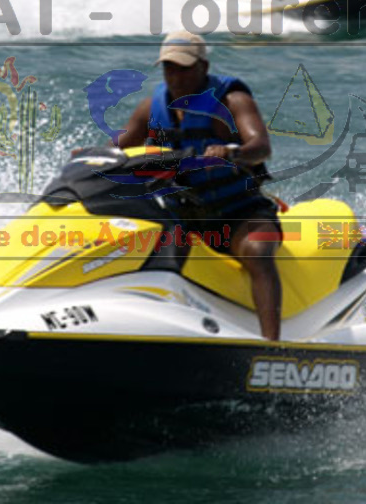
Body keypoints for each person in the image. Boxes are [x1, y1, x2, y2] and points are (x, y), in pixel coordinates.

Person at [116, 31, 283, 340]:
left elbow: (261, 146)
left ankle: (272, 346)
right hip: (186, 216)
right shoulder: (150, 109)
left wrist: (232, 152)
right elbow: (118, 150)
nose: (175, 77)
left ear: (203, 67)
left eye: (184, 68)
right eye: (169, 68)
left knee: (258, 252)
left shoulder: (231, 101)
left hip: (240, 213)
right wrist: (91, 158)